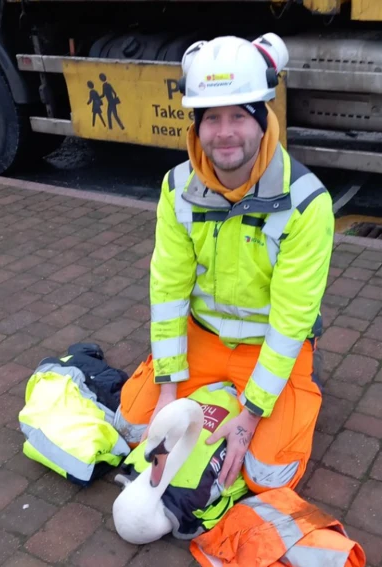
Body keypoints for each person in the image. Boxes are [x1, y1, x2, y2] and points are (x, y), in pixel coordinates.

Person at [114, 33, 334, 495]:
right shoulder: (176, 189)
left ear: (263, 119)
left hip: (267, 348)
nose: (225, 132)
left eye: (239, 115)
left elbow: (292, 317)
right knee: (134, 431)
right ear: (196, 125)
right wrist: (170, 390)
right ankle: (208, 394)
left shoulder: (306, 202)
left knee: (268, 476)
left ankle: (293, 393)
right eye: (211, 118)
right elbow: (169, 290)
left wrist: (251, 414)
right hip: (203, 340)